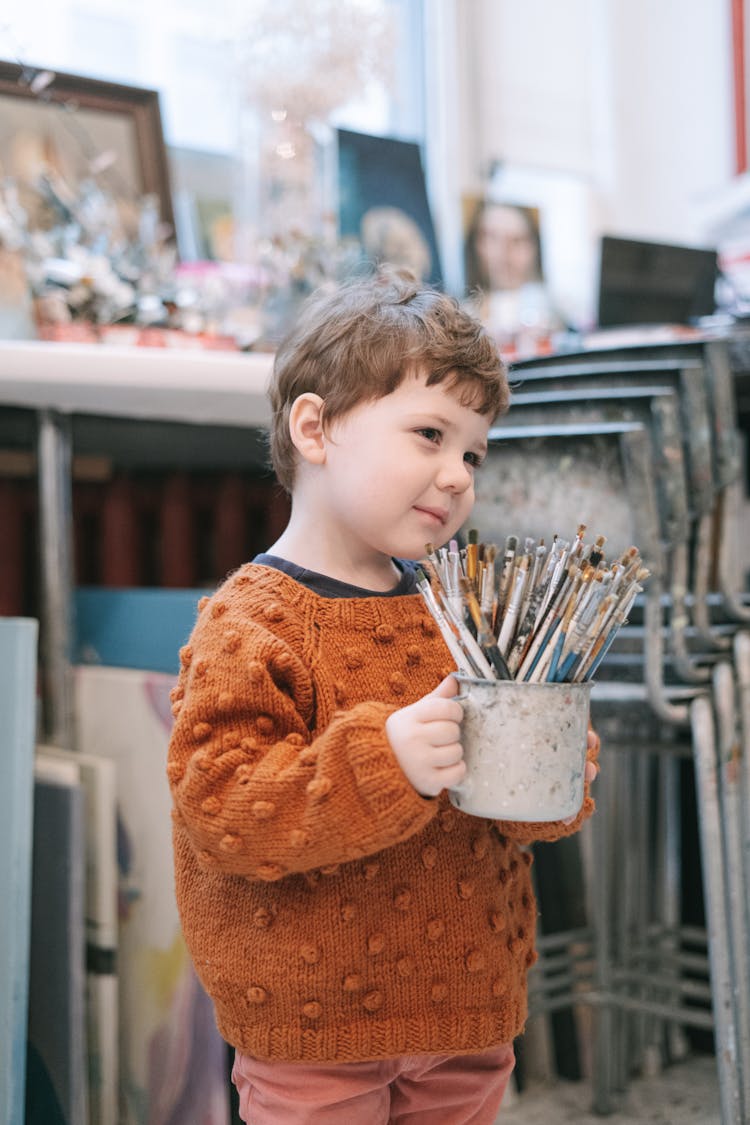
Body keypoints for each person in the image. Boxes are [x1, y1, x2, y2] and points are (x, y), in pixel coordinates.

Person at [166, 268, 599, 1124]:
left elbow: (514, 813)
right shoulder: (250, 622)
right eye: (429, 433)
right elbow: (221, 811)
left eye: (473, 451)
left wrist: (551, 773)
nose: (457, 474)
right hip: (314, 1030)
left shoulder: (459, 613)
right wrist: (385, 760)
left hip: (468, 1011)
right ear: (316, 427)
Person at [464, 200, 560, 353]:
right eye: (491, 238)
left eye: (517, 240)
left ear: (535, 248)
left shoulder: (558, 314)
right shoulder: (461, 320)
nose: (504, 252)